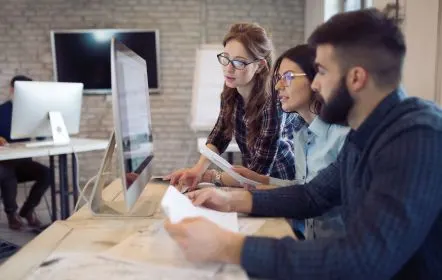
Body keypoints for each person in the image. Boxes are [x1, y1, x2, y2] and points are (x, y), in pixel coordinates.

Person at [165, 8, 442, 279]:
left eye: (321, 71)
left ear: (356, 78)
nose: (316, 84)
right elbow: (313, 196)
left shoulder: (417, 136)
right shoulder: (366, 133)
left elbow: (363, 259)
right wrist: (228, 199)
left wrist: (226, 246)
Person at [214, 44, 350, 240]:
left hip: (339, 252)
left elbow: (311, 197)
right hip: (311, 243)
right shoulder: (303, 135)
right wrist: (261, 180)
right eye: (278, 79)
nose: (278, 86)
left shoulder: (343, 137)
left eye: (287, 77)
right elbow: (303, 186)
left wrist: (234, 200)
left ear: (316, 79)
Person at [165, 23, 302, 190]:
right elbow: (220, 134)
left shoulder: (272, 102)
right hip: (250, 183)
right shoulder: (231, 90)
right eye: (226, 58)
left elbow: (257, 173)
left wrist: (210, 176)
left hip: (280, 185)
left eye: (239, 62)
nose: (228, 69)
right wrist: (197, 170)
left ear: (259, 65)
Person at [0, 75, 51, 230]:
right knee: (7, 173)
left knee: (47, 174)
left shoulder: (31, 112)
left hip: (23, 163)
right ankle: (11, 214)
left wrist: (47, 120)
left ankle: (27, 210)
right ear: (12, 90)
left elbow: (42, 137)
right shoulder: (2, 110)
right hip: (3, 163)